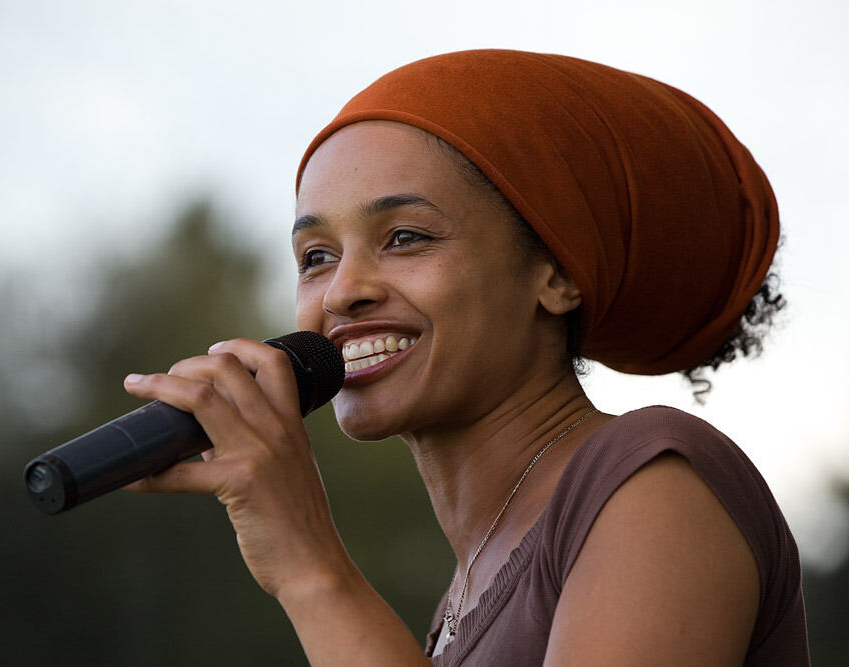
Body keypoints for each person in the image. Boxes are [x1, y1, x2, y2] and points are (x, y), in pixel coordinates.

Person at [121, 50, 809, 665]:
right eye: (316, 257)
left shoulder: (655, 486)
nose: (342, 292)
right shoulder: (462, 594)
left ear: (555, 273)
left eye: (407, 236)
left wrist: (308, 565)